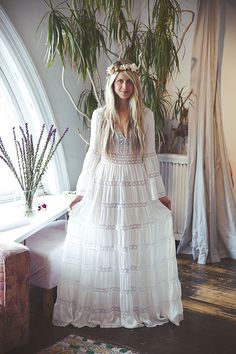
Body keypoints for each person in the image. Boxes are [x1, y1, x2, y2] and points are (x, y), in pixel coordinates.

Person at [53, 59, 183, 328]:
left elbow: (149, 156)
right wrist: (81, 193)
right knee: (107, 240)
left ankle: (132, 303)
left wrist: (159, 194)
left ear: (135, 85)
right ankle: (107, 303)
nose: (124, 86)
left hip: (134, 181)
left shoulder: (145, 115)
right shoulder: (101, 116)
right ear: (112, 85)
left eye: (129, 82)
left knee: (132, 243)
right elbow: (94, 155)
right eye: (119, 82)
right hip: (107, 182)